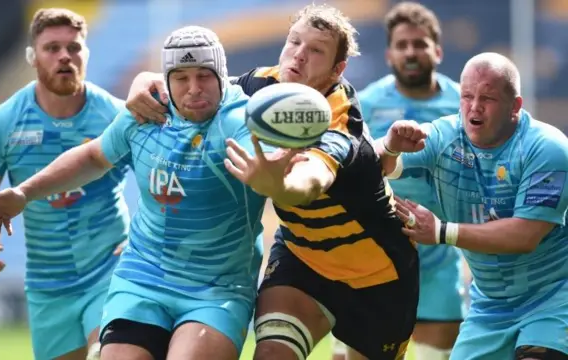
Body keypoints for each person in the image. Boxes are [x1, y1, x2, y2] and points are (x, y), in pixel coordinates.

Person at [0, 25, 293, 360]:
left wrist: (272, 174)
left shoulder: (240, 119)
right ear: (167, 81)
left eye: (204, 75)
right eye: (182, 78)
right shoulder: (146, 114)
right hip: (143, 277)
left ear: (222, 76)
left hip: (216, 289)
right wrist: (24, 193)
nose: (194, 88)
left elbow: (266, 164)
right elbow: (94, 156)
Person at [0, 8, 128, 360]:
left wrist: (143, 240)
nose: (65, 56)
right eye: (52, 48)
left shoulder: (114, 116)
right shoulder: (5, 121)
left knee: (109, 353)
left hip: (110, 271)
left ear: (86, 55)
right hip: (48, 285)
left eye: (74, 48)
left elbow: (161, 179)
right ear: (32, 58)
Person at [385, 52, 568, 360]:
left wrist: (442, 232)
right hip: (490, 306)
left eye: (488, 98)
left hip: (556, 296)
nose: (474, 107)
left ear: (515, 107)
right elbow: (377, 161)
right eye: (467, 96)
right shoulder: (445, 136)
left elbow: (525, 236)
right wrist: (389, 145)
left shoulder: (547, 148)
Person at [224, 116, 425, 360]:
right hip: (302, 255)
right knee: (272, 354)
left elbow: (313, 179)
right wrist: (166, 91)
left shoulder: (342, 117)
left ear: (337, 74)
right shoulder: (263, 83)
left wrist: (280, 187)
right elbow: (218, 91)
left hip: (378, 271)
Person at [339, 3, 463, 360]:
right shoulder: (366, 103)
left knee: (435, 353)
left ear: (437, 51)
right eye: (402, 44)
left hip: (440, 255)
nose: (411, 52)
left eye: (420, 44)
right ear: (389, 53)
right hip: (375, 251)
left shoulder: (462, 105)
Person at [124, 4, 363, 137]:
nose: (299, 54)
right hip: (295, 228)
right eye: (294, 41)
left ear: (337, 70)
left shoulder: (341, 112)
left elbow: (308, 183)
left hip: (361, 227)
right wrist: (148, 79)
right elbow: (208, 88)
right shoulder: (264, 80)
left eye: (316, 51)